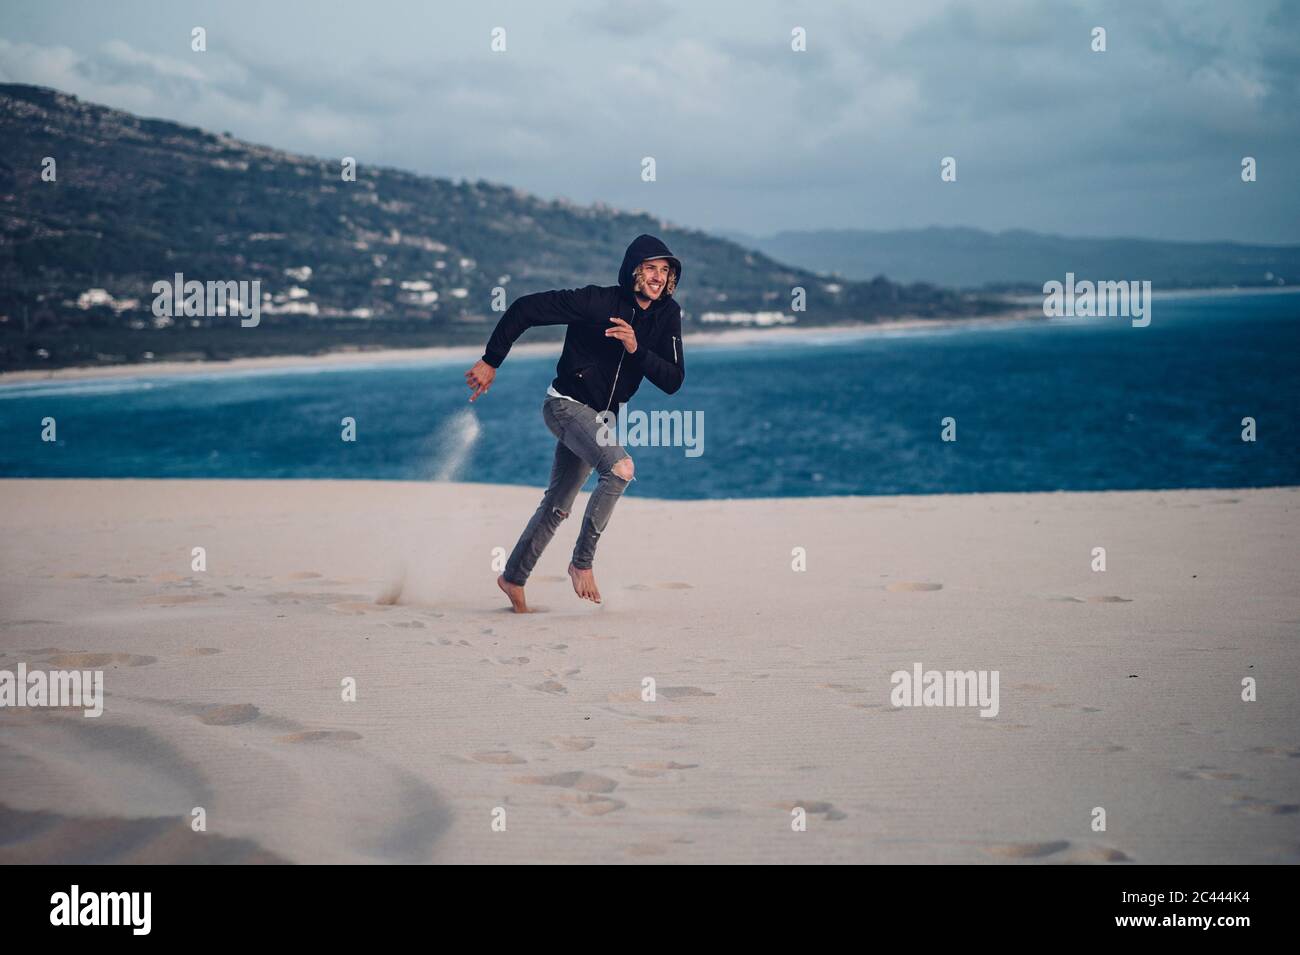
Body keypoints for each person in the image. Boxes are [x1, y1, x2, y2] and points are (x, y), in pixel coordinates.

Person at [464, 234, 686, 612]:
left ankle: (512, 577)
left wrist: (636, 348)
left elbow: (672, 380)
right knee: (620, 468)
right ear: (634, 271)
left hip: (601, 417)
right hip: (565, 405)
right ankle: (582, 563)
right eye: (650, 268)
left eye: (665, 271)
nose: (658, 277)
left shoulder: (668, 314)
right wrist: (491, 360)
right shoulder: (597, 301)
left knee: (558, 505)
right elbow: (525, 309)